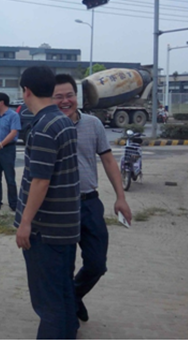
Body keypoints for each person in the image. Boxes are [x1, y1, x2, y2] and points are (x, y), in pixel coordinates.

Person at [53, 74, 132, 323]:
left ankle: (75, 295)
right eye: (58, 97)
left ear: (76, 97)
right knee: (62, 267)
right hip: (60, 208)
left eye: (69, 95)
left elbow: (108, 160)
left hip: (89, 203)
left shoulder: (93, 124)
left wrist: (121, 197)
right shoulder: (48, 127)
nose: (65, 101)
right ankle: (67, 318)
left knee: (97, 263)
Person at [14, 66, 80, 340]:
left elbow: (40, 181)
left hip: (45, 231)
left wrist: (25, 222)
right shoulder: (63, 122)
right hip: (65, 227)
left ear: (26, 91)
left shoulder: (42, 128)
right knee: (63, 293)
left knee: (48, 303)